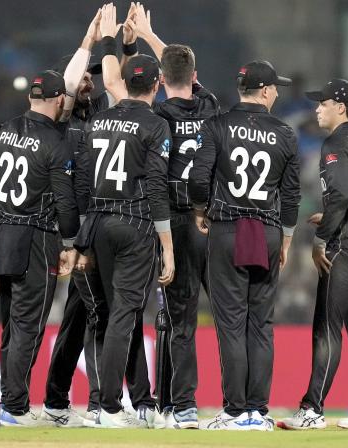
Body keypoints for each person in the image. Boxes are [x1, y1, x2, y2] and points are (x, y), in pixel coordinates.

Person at [73, 3, 175, 428]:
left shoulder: (100, 119)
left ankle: (127, 402)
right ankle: (109, 407)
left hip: (98, 223)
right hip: (135, 224)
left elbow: (83, 178)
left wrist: (111, 39)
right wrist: (167, 247)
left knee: (117, 314)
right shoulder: (155, 125)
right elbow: (156, 188)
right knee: (123, 316)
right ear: (156, 86)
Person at [121, 3, 220, 429]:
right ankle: (240, 406)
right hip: (209, 222)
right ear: (195, 77)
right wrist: (151, 36)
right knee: (228, 317)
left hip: (170, 222)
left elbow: (139, 82)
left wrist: (137, 41)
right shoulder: (210, 107)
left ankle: (183, 406)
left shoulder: (155, 117)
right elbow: (183, 70)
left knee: (180, 320)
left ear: (160, 80)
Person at [189, 60, 300, 431]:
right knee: (261, 323)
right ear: (265, 91)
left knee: (232, 323)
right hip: (266, 230)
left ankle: (235, 411)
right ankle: (257, 411)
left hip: (229, 228)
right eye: (276, 87)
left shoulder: (216, 125)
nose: (278, 92)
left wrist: (201, 211)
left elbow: (198, 180)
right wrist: (286, 239)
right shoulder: (285, 133)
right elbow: (292, 195)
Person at [280, 78, 348, 431]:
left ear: (341, 108)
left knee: (326, 329)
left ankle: (311, 410)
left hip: (347, 246)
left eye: (323, 103)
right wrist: (336, 215)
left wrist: (321, 239)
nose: (317, 109)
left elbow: (341, 195)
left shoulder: (336, 142)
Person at [0, 70, 80, 426]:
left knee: (11, 322)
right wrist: (69, 243)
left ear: (30, 98)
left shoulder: (0, 130)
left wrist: (2, 219)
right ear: (59, 99)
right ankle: (14, 407)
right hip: (35, 237)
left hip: (0, 234)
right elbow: (65, 203)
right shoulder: (55, 142)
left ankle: (10, 402)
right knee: (28, 325)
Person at [42, 8, 114, 428]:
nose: (89, 82)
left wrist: (121, 46)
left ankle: (57, 399)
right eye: (83, 77)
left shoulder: (104, 112)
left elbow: (119, 86)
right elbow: (69, 86)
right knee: (94, 312)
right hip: (71, 230)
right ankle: (96, 403)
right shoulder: (59, 120)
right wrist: (89, 41)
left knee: (80, 316)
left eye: (92, 77)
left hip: (100, 225)